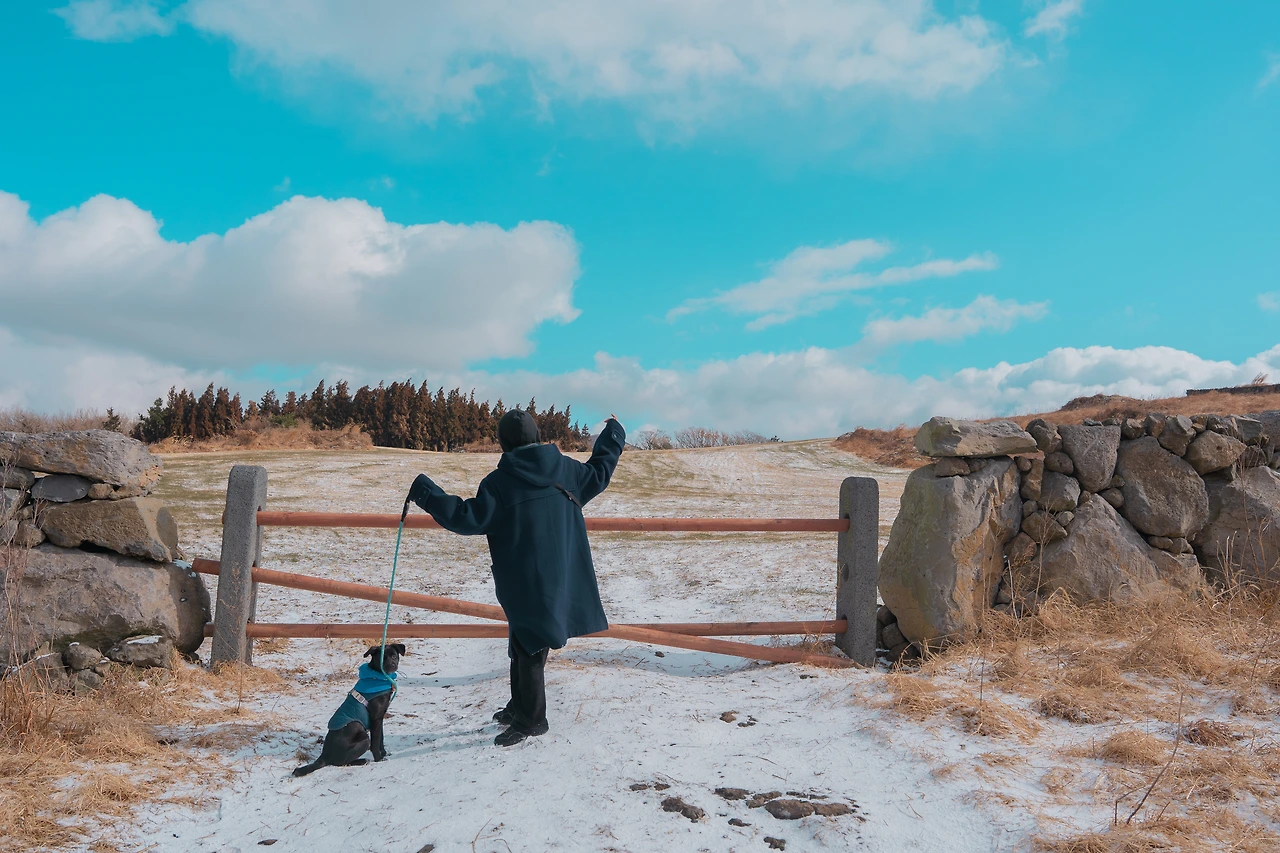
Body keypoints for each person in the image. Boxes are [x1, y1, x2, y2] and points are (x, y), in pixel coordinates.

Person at [407, 409, 626, 746]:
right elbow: (600, 470)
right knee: (523, 642)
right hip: (561, 575)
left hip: (524, 579)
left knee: (529, 647)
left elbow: (467, 518)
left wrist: (426, 492)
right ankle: (518, 707)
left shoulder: (499, 483)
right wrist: (613, 433)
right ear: (537, 436)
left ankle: (532, 720)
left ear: (504, 443)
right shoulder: (567, 470)